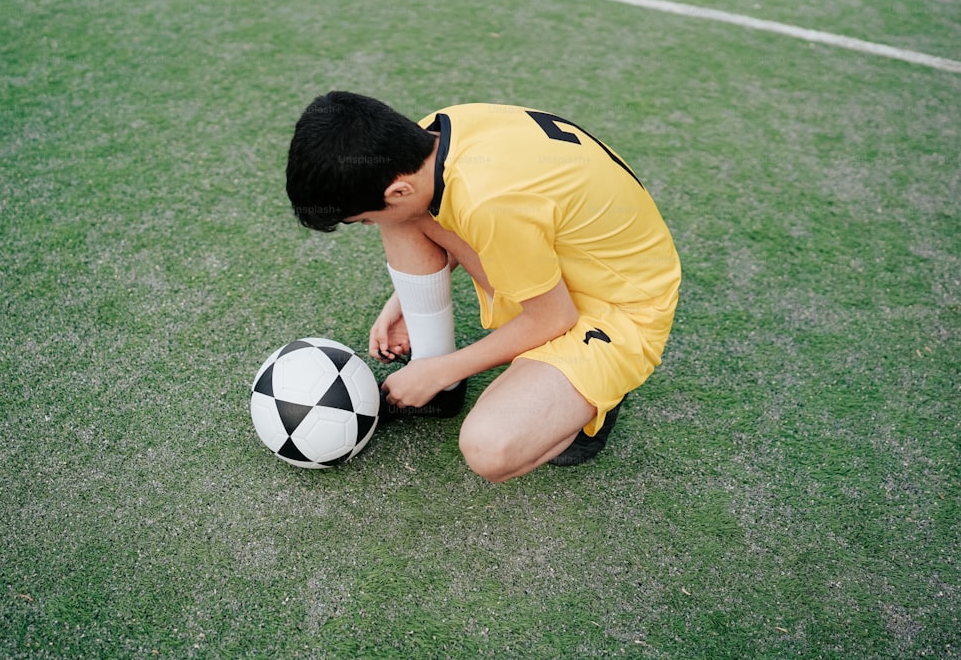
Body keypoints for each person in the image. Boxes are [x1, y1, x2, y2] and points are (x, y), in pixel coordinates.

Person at [285, 91, 680, 483]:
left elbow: (555, 317)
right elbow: (463, 216)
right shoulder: (431, 134)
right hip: (560, 268)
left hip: (619, 309)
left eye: (362, 220)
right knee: (402, 217)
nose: (369, 226)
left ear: (398, 190)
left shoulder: (491, 201)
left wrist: (438, 370)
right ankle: (442, 389)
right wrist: (402, 301)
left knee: (489, 449)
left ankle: (593, 401)